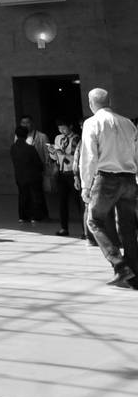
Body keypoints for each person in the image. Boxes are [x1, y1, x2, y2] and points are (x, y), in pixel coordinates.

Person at [77, 87, 138, 288]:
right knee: (128, 227)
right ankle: (134, 273)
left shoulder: (92, 122)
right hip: (129, 179)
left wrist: (86, 185)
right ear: (108, 101)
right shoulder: (128, 123)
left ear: (91, 103)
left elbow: (89, 157)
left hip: (107, 179)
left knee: (94, 221)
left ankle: (120, 266)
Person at [49, 118, 82, 237]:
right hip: (62, 173)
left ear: (71, 126)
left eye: (64, 127)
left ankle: (85, 230)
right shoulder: (58, 138)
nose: (61, 130)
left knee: (79, 202)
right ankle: (64, 228)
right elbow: (55, 158)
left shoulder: (76, 139)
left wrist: (63, 154)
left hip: (73, 173)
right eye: (59, 128)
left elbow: (75, 158)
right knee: (62, 202)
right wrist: (53, 152)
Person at [11, 125, 48, 223]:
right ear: (26, 135)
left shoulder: (13, 148)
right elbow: (38, 162)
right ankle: (36, 216)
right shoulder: (30, 148)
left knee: (23, 196)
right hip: (33, 175)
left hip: (19, 175)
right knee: (35, 196)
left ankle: (23, 216)